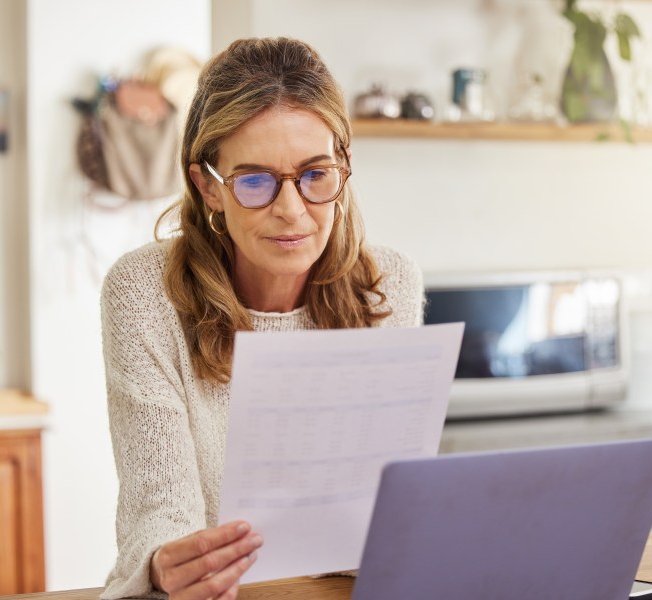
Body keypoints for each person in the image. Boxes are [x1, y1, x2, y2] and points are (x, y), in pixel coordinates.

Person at [100, 37, 424, 600]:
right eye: (255, 181)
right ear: (209, 186)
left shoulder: (389, 282)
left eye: (316, 175)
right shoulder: (144, 292)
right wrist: (164, 565)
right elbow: (159, 514)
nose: (292, 210)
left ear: (343, 167)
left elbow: (383, 510)